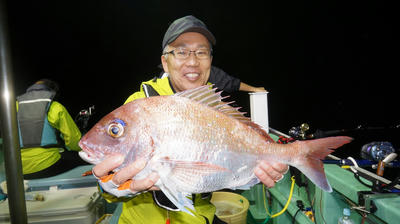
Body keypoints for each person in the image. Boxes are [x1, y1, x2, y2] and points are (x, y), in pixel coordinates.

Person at [93, 15, 288, 224]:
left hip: (199, 218)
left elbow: (234, 161)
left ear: (210, 61)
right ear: (165, 62)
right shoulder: (139, 107)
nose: (193, 61)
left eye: (202, 52)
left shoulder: (218, 109)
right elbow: (107, 170)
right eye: (181, 51)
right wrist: (110, 187)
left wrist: (274, 160)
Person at [17, 79, 87, 179]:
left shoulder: (13, 107)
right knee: (86, 159)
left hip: (18, 169)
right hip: (48, 166)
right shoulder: (55, 107)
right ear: (52, 92)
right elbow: (74, 142)